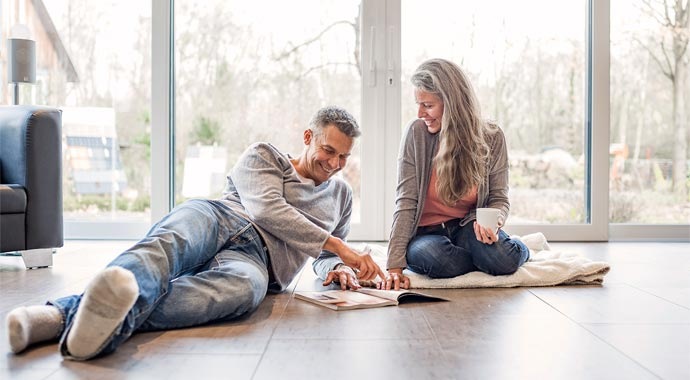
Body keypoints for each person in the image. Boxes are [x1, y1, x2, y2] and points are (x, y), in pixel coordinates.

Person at [6, 106, 385, 360]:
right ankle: (84, 321)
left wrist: (338, 268)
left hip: (257, 263)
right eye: (328, 150)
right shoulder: (265, 155)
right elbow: (267, 209)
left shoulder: (341, 195)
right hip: (219, 217)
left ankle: (57, 318)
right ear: (308, 137)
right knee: (164, 248)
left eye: (344, 157)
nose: (334, 164)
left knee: (243, 292)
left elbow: (326, 258)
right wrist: (338, 246)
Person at [382, 58, 529, 290]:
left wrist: (495, 221)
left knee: (503, 258)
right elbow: (406, 202)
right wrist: (394, 267)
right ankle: (482, 259)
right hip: (427, 234)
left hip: (467, 227)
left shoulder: (492, 136)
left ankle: (518, 249)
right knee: (433, 257)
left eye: (428, 105)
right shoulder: (416, 134)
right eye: (418, 104)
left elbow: (499, 197)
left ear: (452, 103)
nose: (420, 113)